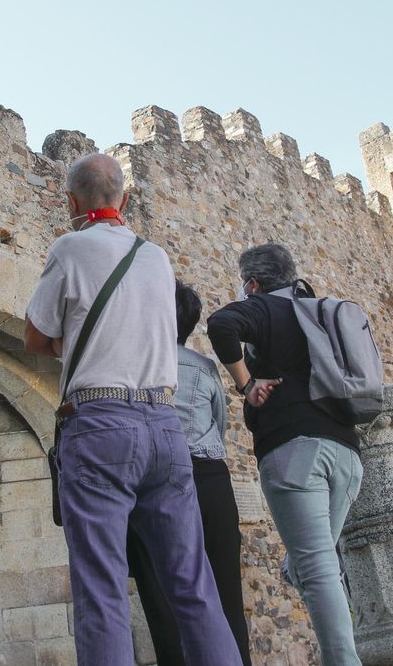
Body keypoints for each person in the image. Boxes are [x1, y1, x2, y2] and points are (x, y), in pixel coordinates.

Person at [23, 152, 240, 665]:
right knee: (193, 585)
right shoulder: (157, 257)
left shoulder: (70, 248)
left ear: (71, 201)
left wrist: (74, 344)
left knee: (102, 590)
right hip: (166, 425)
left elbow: (35, 336)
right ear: (124, 198)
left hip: (99, 425)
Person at [206, 243, 362, 666]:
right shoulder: (320, 311)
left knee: (316, 570)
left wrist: (246, 383)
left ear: (253, 283)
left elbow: (220, 324)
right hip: (347, 454)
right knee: (312, 564)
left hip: (294, 451)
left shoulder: (264, 308)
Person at [127, 281, 252, 665]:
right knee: (225, 589)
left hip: (153, 479)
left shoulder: (130, 361)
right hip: (209, 477)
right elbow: (219, 425)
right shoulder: (204, 367)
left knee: (160, 595)